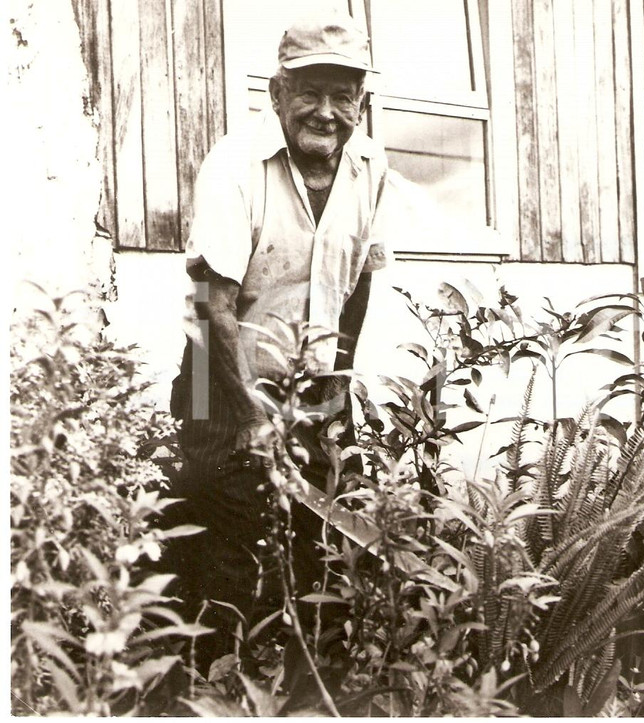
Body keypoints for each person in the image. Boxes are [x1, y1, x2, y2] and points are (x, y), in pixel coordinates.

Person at [160, 10, 388, 661]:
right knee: (225, 561)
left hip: (309, 389)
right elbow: (212, 304)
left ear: (361, 102)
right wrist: (249, 421)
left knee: (326, 565)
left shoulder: (370, 169)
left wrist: (335, 385)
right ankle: (202, 685)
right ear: (277, 94)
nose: (325, 111)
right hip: (218, 380)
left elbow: (361, 280)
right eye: (309, 91)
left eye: (342, 95)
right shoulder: (235, 165)